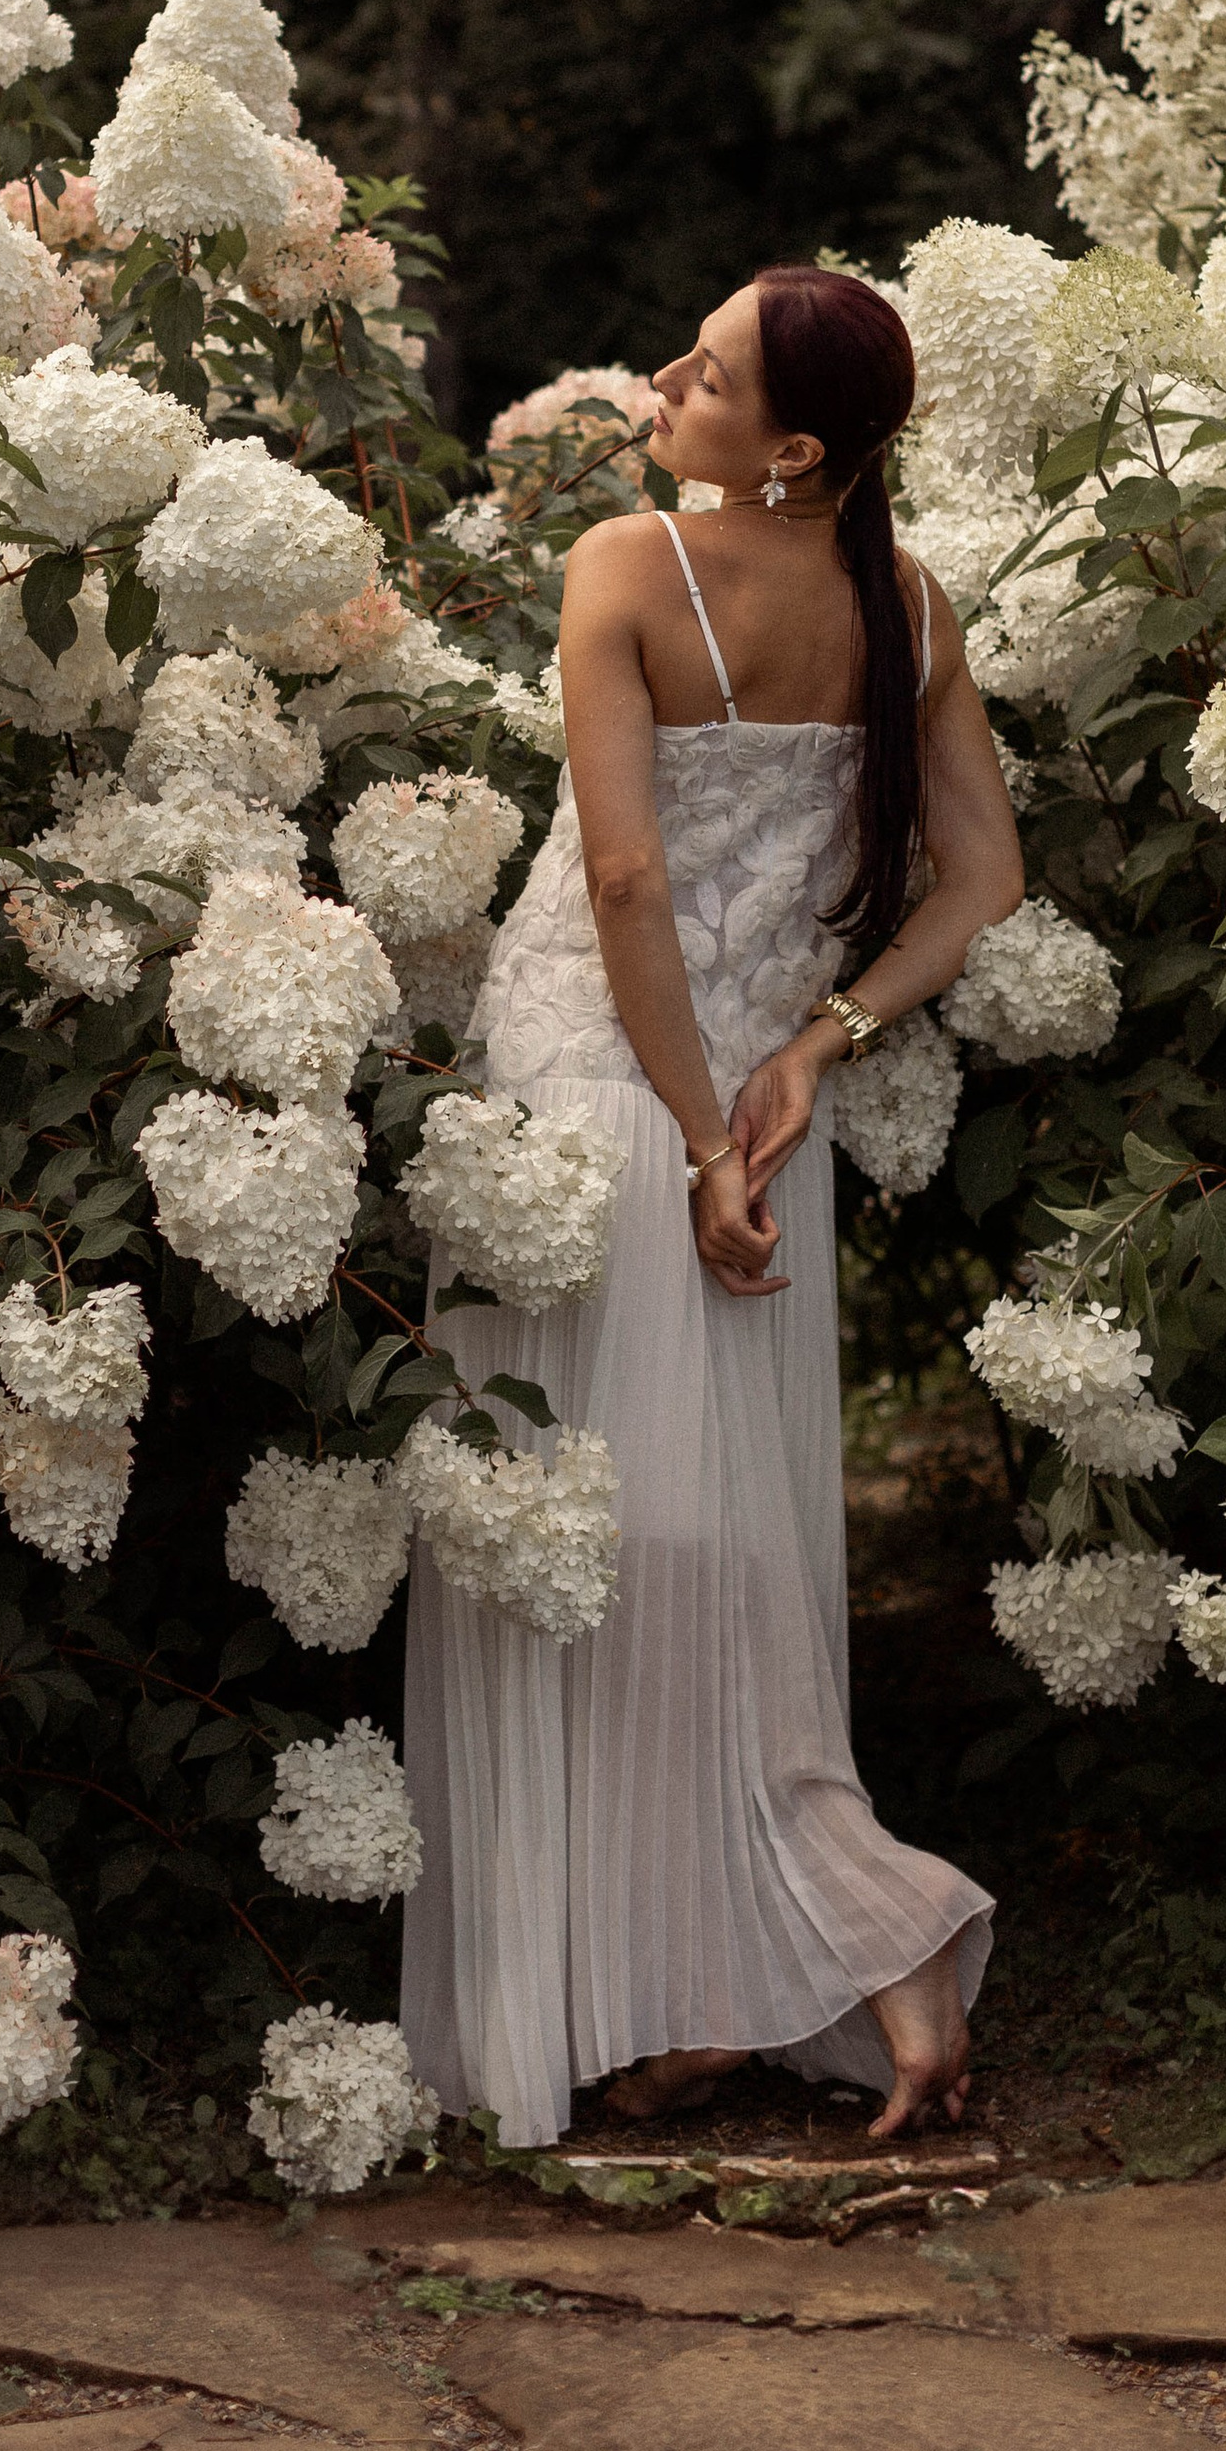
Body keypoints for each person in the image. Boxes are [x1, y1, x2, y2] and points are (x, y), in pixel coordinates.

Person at [400, 264, 1025, 2148]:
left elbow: (621, 882)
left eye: (715, 372)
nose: (666, 374)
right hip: (754, 1121)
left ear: (797, 449)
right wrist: (817, 1048)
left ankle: (820, 1939)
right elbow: (984, 880)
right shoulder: (907, 606)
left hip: (606, 1113)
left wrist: (690, 1140)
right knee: (712, 1550)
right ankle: (741, 1968)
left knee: (578, 1560)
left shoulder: (629, 564)